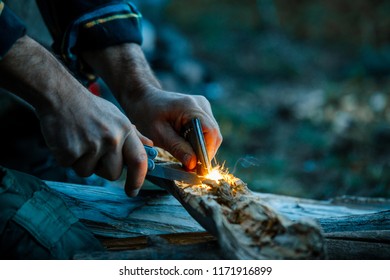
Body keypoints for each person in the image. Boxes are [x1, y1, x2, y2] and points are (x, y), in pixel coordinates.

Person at [0, 0, 222, 259]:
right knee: (63, 246)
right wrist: (62, 94)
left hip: (26, 120)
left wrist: (139, 89)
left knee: (87, 217)